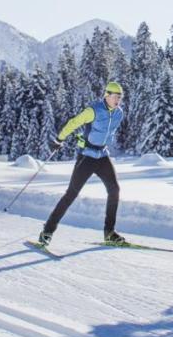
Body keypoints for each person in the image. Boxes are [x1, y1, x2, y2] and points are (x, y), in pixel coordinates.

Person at [36, 81, 127, 248]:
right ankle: (47, 231)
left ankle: (109, 233)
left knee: (114, 190)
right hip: (87, 157)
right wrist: (59, 139)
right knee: (71, 194)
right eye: (115, 97)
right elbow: (73, 123)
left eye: (120, 97)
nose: (117, 100)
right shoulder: (93, 110)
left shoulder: (118, 113)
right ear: (107, 96)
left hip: (102, 155)